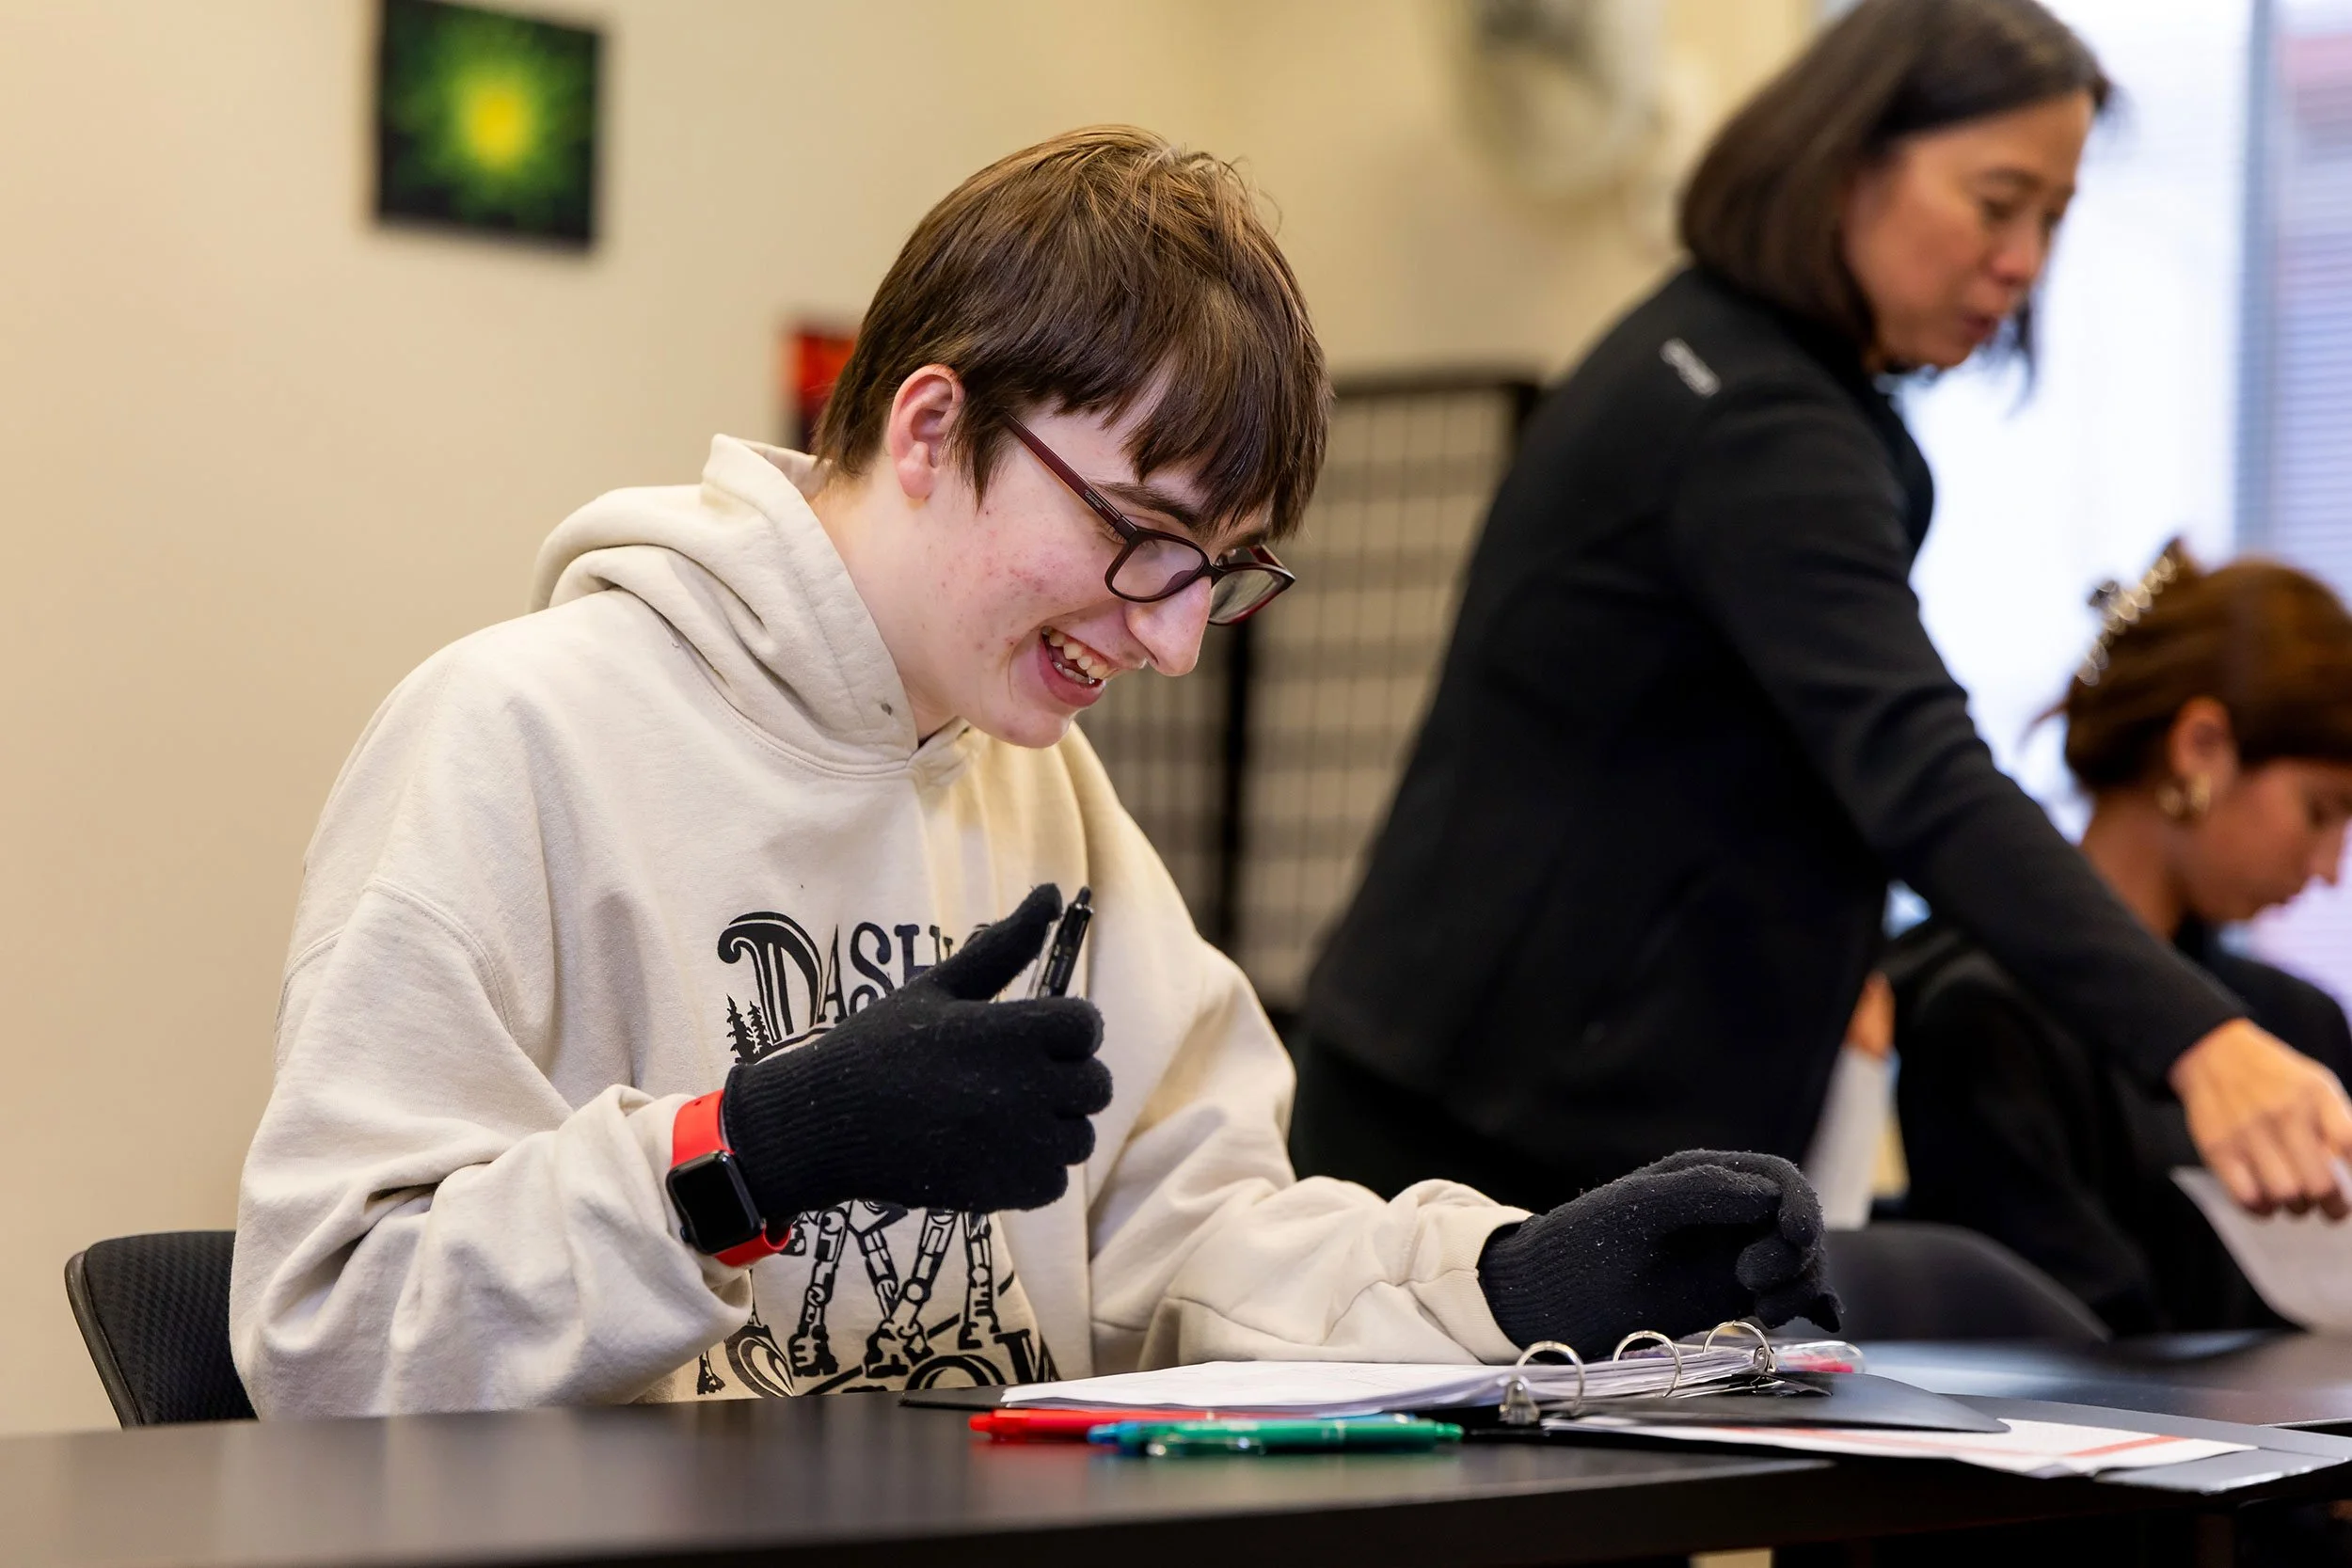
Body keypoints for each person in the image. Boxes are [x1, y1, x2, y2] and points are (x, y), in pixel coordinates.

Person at [230, 128, 1835, 1417]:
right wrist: (742, 1156)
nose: (1177, 640)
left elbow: (1191, 1241)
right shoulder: (511, 733)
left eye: (1223, 571)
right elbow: (326, 1327)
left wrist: (1516, 1284)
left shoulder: (1036, 786)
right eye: (1143, 538)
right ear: (931, 425)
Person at [1291, 0, 2352, 1222]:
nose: (2024, 261)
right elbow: (1917, 768)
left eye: (2051, 219)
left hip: (1567, 1108)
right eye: (1996, 203)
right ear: (1847, 162)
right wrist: (2199, 1037)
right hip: (1477, 1128)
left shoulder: (1780, 400)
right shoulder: (1749, 418)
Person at [1896, 546, 2352, 1333]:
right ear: (2202, 746)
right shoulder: (1982, 1022)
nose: (2330, 868)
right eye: (2320, 810)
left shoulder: (2301, 1024)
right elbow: (2077, 1345)